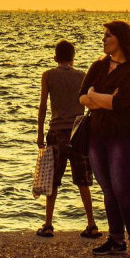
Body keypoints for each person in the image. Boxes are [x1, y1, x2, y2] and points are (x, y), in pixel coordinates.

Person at [79, 21, 130, 258]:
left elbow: (119, 103)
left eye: (108, 36)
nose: (104, 40)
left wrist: (95, 96)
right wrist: (103, 98)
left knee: (123, 188)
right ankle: (116, 240)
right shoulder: (98, 66)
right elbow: (81, 97)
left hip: (125, 136)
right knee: (108, 189)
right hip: (97, 135)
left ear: (120, 39)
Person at [36, 39, 100, 239]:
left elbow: (43, 106)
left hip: (56, 132)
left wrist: (39, 133)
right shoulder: (82, 76)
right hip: (79, 132)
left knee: (53, 180)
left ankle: (48, 224)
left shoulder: (48, 76)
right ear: (73, 57)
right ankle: (92, 223)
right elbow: (91, 102)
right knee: (83, 180)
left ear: (55, 57)